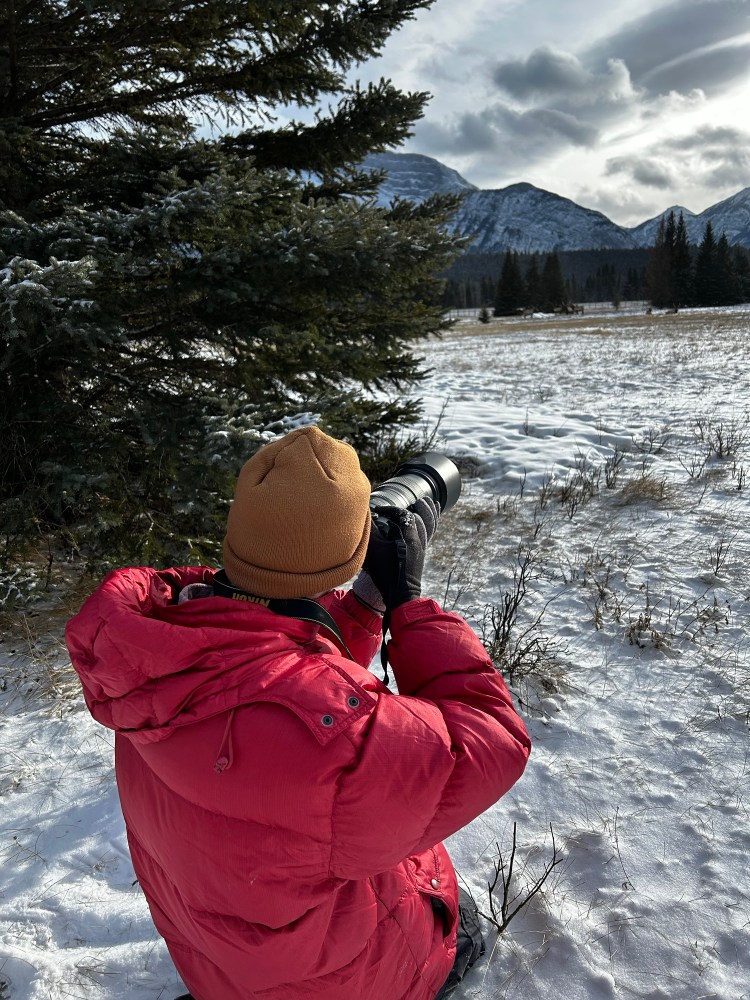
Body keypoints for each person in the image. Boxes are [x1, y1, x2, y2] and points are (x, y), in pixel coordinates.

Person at [65, 425, 531, 1000]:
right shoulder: (345, 750)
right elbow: (490, 740)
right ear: (349, 552)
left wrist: (364, 607)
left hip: (216, 964)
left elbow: (276, 669)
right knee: (457, 924)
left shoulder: (153, 655)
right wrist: (409, 603)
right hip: (334, 984)